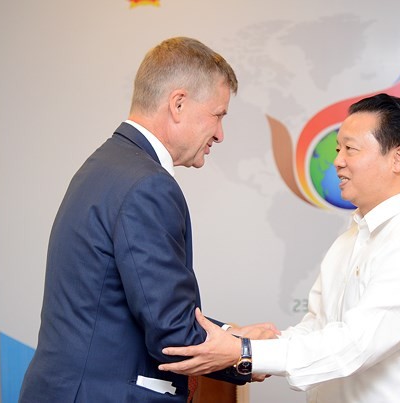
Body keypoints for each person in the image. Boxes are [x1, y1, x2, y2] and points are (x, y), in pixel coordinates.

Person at [159, 93, 400, 402]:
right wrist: (250, 343)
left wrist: (246, 352)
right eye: (337, 148)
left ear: (397, 158)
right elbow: (317, 329)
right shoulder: (351, 238)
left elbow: (356, 345)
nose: (337, 161)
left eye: (350, 149)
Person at [19, 37, 276, 403]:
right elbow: (173, 334)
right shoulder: (148, 184)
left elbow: (145, 309)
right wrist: (247, 352)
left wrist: (229, 333)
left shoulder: (106, 164)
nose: (220, 133)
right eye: (218, 115)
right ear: (178, 104)